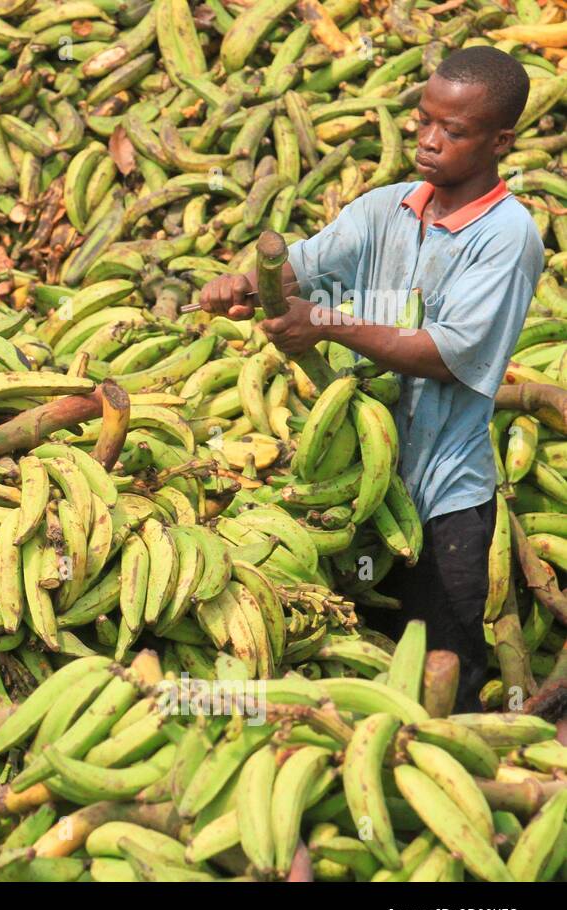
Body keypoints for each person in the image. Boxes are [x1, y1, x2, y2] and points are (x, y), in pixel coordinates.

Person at [197, 47, 545, 713]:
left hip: (444, 506)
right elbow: (294, 272)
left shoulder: (508, 237)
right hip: (357, 493)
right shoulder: (385, 209)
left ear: (501, 141)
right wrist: (245, 286)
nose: (430, 141)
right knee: (357, 672)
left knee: (443, 688)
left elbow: (446, 354)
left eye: (455, 131)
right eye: (423, 122)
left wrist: (324, 325)